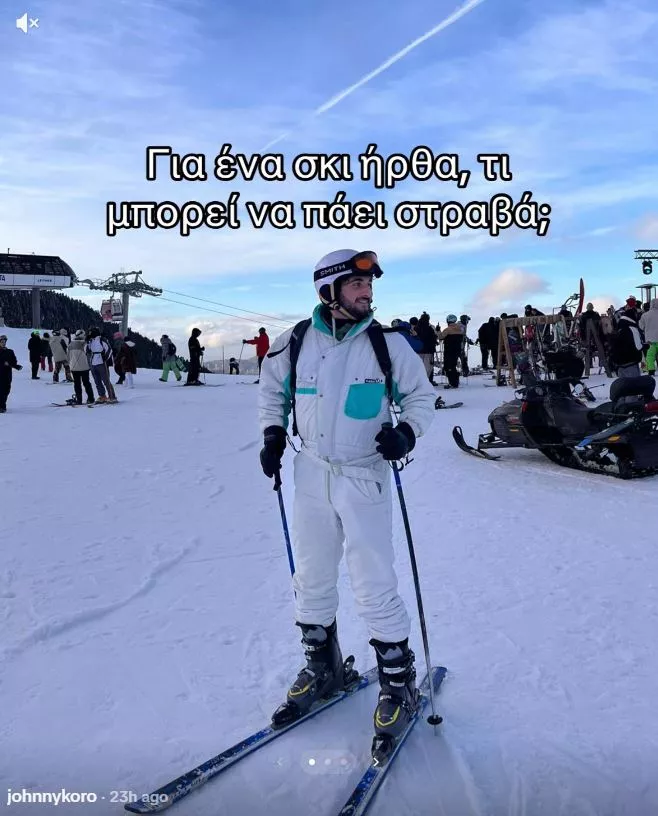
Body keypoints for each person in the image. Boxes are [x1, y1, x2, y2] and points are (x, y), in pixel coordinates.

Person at [258, 249, 435, 755]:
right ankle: (323, 666)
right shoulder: (295, 342)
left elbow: (420, 399)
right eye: (357, 285)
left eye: (369, 285)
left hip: (364, 478)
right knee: (310, 576)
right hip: (311, 473)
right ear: (328, 291)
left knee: (373, 581)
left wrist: (406, 432)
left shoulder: (387, 344)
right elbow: (272, 393)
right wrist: (272, 433)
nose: (367, 293)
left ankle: (398, 681)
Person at [86, 328, 117, 402]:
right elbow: (87, 350)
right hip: (93, 362)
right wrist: (87, 342)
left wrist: (105, 358)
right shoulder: (91, 341)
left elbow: (109, 350)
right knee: (97, 381)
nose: (90, 334)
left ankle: (112, 396)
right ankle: (102, 396)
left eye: (91, 333)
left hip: (101, 362)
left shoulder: (102, 340)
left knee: (106, 380)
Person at [67, 330, 95, 405]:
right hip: (85, 367)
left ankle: (79, 400)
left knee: (77, 384)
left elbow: (68, 357)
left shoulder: (70, 344)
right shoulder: (85, 344)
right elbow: (89, 354)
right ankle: (91, 399)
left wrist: (70, 364)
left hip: (74, 368)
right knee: (87, 383)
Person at [0, 334, 23, 413]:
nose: (3, 343)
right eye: (2, 342)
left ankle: (2, 405)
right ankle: (2, 407)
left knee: (6, 390)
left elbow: (14, 362)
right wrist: (3, 363)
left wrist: (14, 365)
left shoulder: (10, 351)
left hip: (7, 374)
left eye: (4, 342)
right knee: (1, 390)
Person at [440, 315, 463, 388]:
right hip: (457, 350)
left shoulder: (447, 330)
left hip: (449, 350)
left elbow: (440, 337)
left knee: (448, 366)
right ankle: (455, 381)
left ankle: (453, 382)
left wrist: (437, 331)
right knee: (453, 366)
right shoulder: (460, 329)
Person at [639, 298, 658, 376]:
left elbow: (641, 326)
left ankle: (651, 371)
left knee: (650, 356)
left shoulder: (645, 315)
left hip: (650, 340)